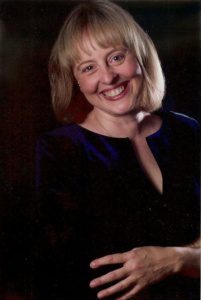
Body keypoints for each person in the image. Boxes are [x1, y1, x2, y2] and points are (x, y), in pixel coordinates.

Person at [35, 1, 200, 299]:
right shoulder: (60, 150)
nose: (108, 77)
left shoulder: (188, 132)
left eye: (116, 57)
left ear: (140, 56)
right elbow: (66, 272)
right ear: (76, 81)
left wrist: (178, 259)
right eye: (89, 67)